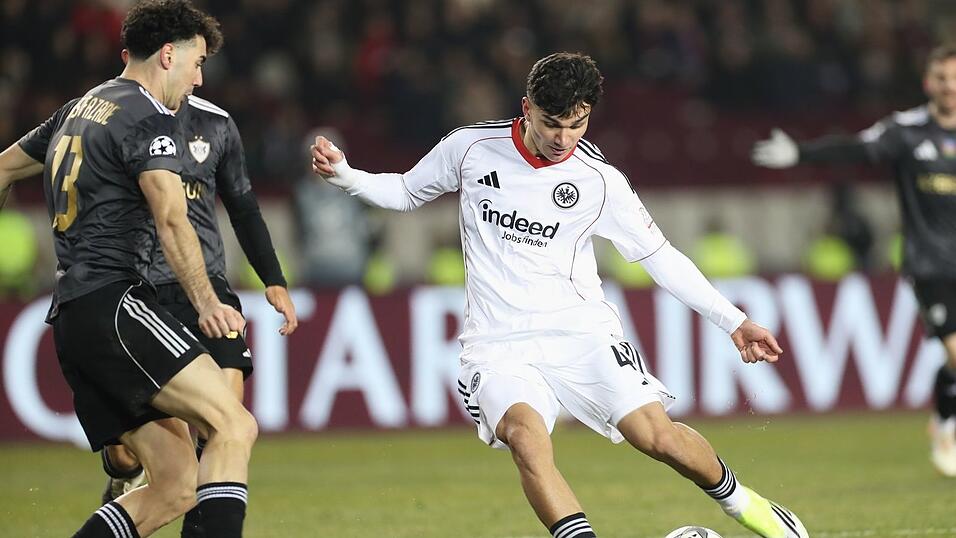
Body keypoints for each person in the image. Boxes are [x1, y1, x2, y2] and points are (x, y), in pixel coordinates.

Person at [312, 52, 808, 538]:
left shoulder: (599, 181)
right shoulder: (471, 148)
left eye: (578, 125)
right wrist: (346, 176)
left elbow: (660, 256)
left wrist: (734, 320)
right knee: (528, 440)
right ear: (526, 107)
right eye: (553, 124)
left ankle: (749, 508)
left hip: (581, 333)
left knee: (657, 438)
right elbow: (406, 191)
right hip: (498, 343)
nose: (563, 139)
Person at [0, 1, 258, 536]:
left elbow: (2, 168)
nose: (198, 78)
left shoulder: (81, 107)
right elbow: (171, 218)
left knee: (174, 485)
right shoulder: (147, 117)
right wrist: (208, 303)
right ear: (169, 55)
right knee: (232, 423)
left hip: (73, 318)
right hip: (114, 305)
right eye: (197, 62)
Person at [99, 52, 299, 538]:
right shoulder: (119, 119)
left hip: (207, 288)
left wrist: (273, 278)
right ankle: (124, 474)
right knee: (128, 456)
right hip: (140, 290)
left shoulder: (216, 125)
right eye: (195, 63)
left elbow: (244, 207)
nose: (199, 76)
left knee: (224, 424)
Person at [752, 43, 956, 478]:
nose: (950, 86)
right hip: (932, 266)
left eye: (955, 78)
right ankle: (946, 423)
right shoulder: (908, 130)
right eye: (942, 77)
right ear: (927, 82)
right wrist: (802, 154)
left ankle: (944, 415)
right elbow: (858, 147)